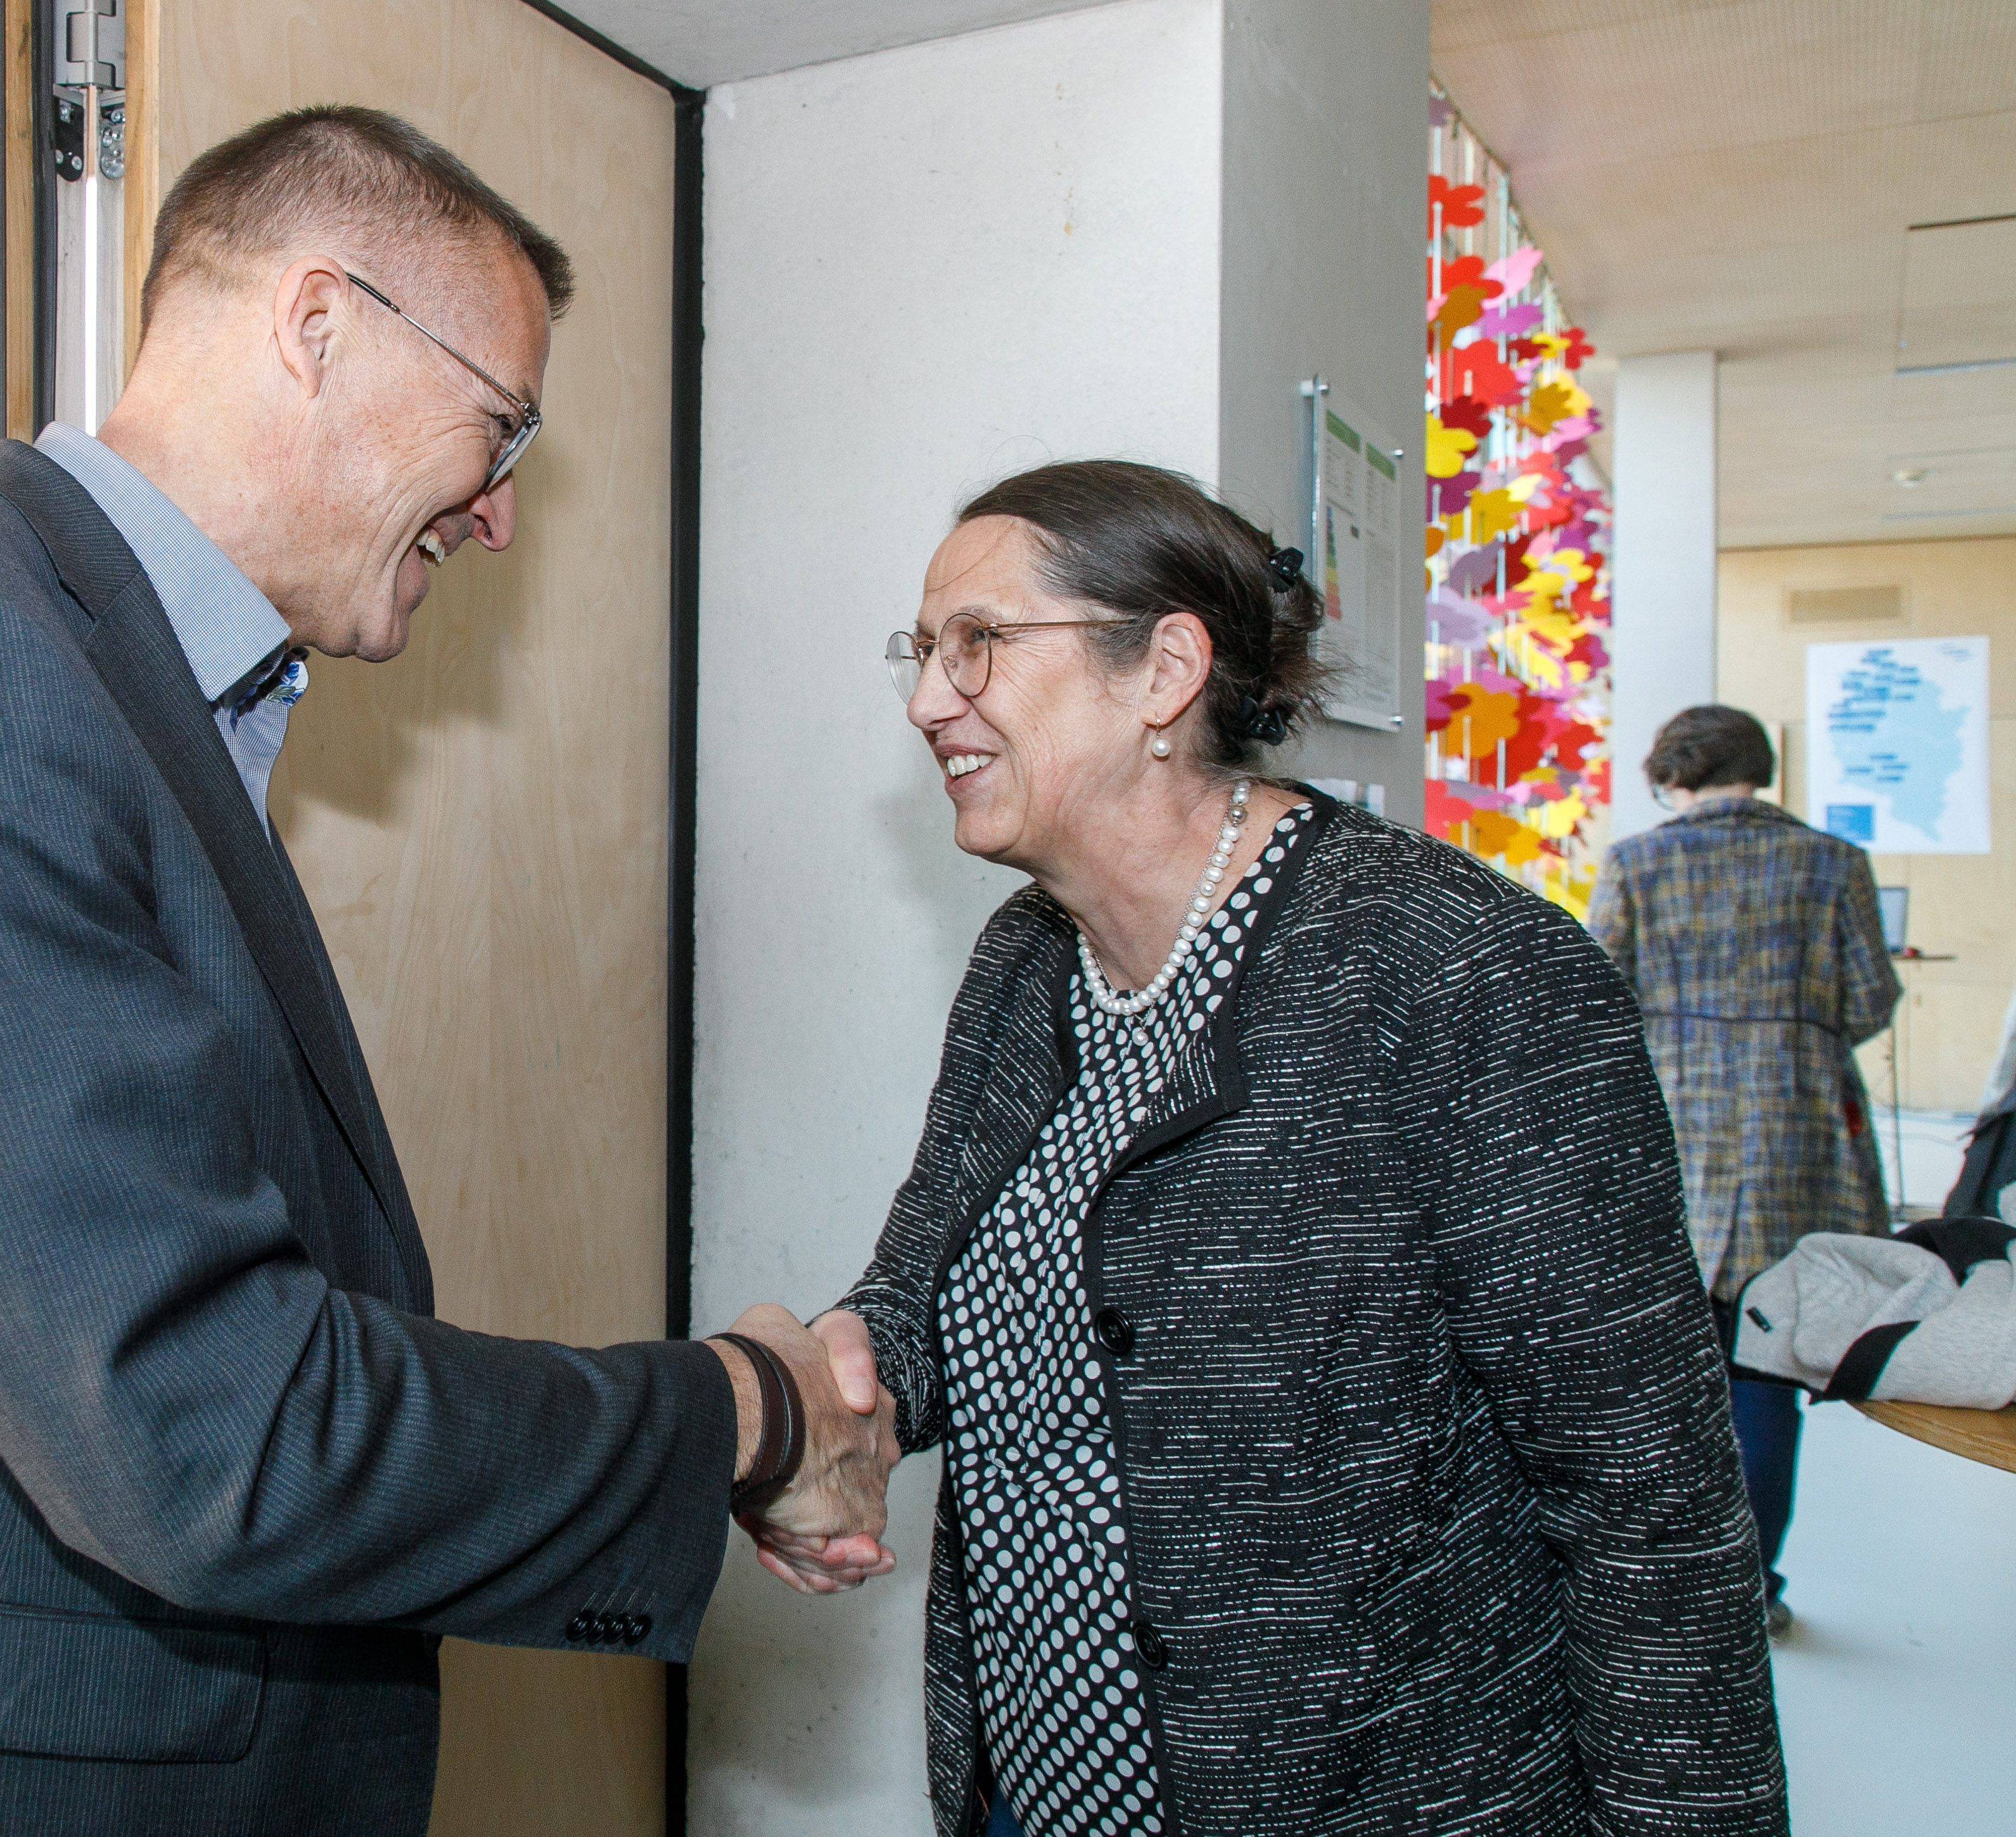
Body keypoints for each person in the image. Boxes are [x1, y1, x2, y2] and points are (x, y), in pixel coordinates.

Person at [0, 106, 896, 1837]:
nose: (499, 515)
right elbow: (205, 1426)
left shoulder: (117, 692)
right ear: (316, 327)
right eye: (501, 426)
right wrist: (743, 1412)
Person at [736, 462, 1784, 1836]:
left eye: (978, 641)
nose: (930, 698)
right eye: (923, 650)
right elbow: (932, 1295)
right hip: (1038, 1786)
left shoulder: (1463, 973)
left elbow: (1650, 1508)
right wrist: (818, 1390)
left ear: (1165, 670)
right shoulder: (1023, 963)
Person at [1587, 703, 1899, 1636]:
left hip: (1669, 1128)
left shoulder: (1637, 863)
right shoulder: (1833, 862)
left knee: (1662, 1366)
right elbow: (1869, 999)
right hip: (1797, 1136)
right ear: (1758, 767)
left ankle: (1665, 1576)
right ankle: (1753, 1587)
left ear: (1671, 773)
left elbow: (1600, 997)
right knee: (1764, 1363)